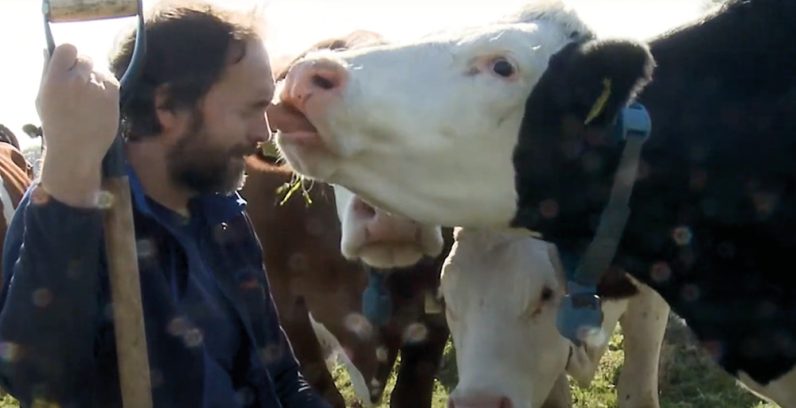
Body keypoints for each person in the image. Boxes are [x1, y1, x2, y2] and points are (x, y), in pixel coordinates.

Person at [0, 1, 330, 407]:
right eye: (251, 109)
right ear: (168, 106)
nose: (264, 132)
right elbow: (37, 380)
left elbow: (278, 375)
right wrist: (68, 171)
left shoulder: (224, 217)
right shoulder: (72, 212)